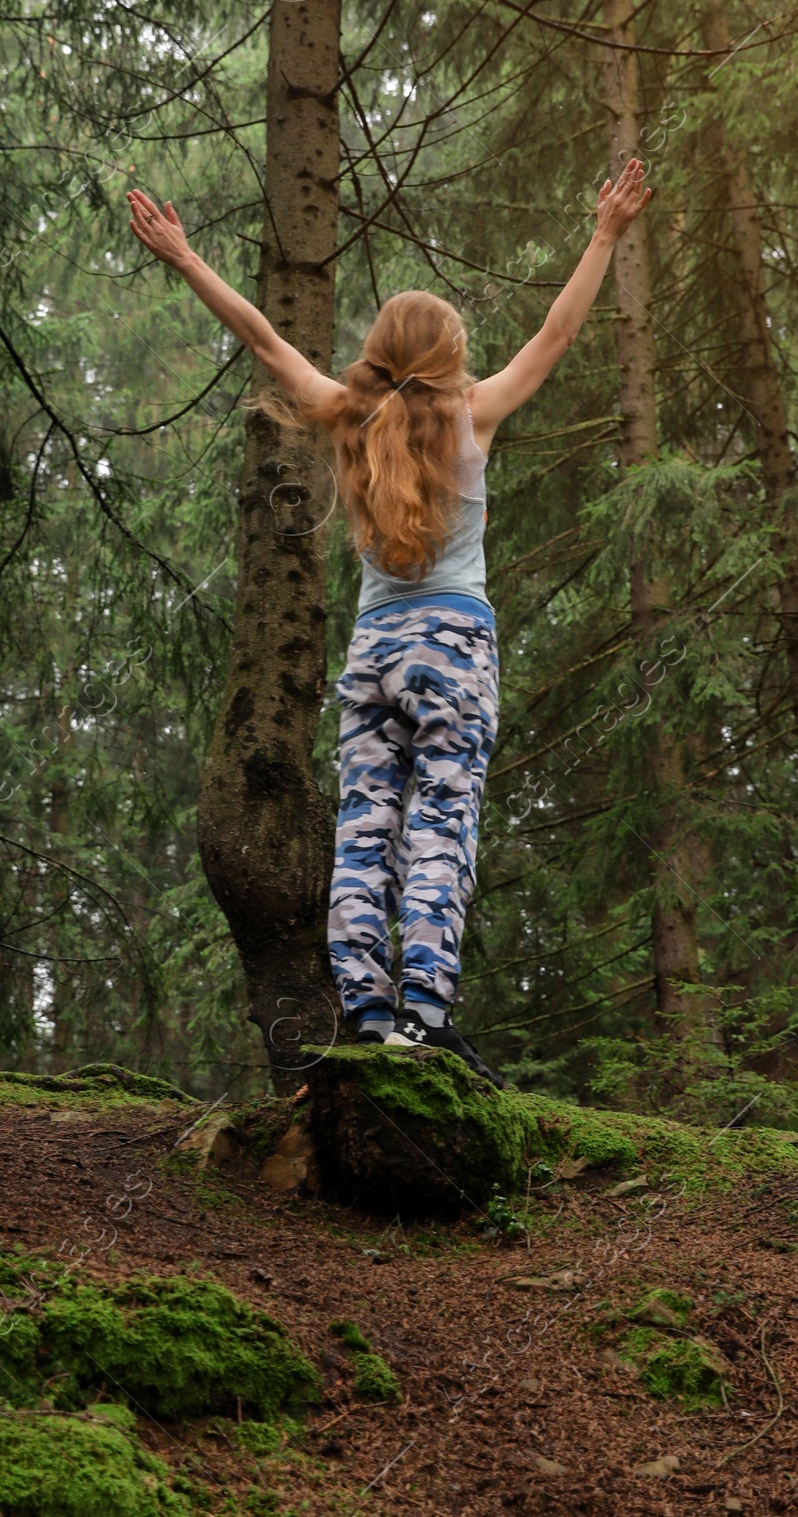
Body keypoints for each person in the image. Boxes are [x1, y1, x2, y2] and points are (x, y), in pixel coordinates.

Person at [126, 161, 653, 1082]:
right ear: (448, 360)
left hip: (370, 654)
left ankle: (367, 1018)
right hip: (452, 649)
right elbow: (557, 333)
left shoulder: (343, 412)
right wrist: (604, 234)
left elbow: (259, 336)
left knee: (366, 828)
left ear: (378, 349)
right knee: (441, 823)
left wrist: (183, 257)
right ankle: (427, 1018)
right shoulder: (473, 416)